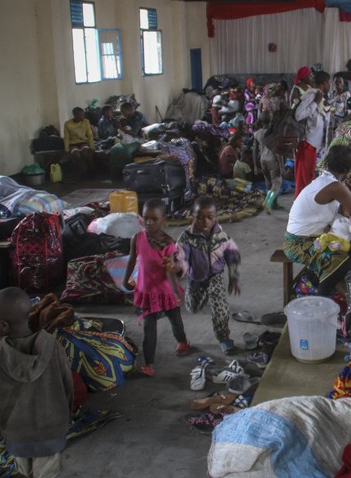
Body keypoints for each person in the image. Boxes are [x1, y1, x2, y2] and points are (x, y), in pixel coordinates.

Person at [0, 287, 73, 478]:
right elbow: (67, 385)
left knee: (24, 471)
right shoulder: (53, 346)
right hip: (52, 431)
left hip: (17, 434)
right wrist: (66, 417)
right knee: (47, 473)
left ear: (3, 326)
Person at [284, 145, 351, 296]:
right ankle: (322, 298)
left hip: (311, 236)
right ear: (350, 170)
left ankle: (323, 286)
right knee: (340, 262)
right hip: (298, 243)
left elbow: (346, 209)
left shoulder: (326, 181)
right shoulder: (333, 186)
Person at [121, 199, 189, 377]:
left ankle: (182, 341)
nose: (149, 223)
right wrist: (125, 279)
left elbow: (170, 272)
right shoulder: (138, 238)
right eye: (145, 218)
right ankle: (149, 364)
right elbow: (131, 259)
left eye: (154, 219)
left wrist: (175, 292)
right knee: (148, 330)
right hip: (146, 292)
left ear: (163, 219)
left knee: (175, 320)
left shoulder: (168, 244)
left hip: (166, 292)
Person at [173, 196, 241, 355]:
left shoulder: (222, 236)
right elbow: (180, 256)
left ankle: (224, 338)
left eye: (210, 217)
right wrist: (178, 267)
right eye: (200, 217)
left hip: (215, 278)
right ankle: (198, 298)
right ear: (193, 216)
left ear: (216, 217)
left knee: (221, 309)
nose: (205, 221)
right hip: (195, 279)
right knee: (193, 307)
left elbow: (233, 256)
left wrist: (233, 277)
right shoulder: (186, 237)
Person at [293, 70, 329, 197]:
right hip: (307, 143)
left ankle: (304, 206)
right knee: (304, 180)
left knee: (308, 177)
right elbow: (298, 115)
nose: (329, 86)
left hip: (314, 144)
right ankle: (300, 208)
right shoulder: (312, 95)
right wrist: (315, 103)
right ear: (324, 83)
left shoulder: (319, 95)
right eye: (329, 83)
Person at [252, 119, 283, 210]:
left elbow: (254, 150)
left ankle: (274, 204)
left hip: (263, 160)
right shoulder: (274, 133)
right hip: (272, 160)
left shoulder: (257, 133)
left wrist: (255, 166)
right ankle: (268, 202)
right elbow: (277, 151)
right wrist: (281, 166)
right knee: (277, 183)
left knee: (269, 183)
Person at [63, 107, 95, 174]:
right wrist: (66, 150)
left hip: (83, 142)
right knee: (77, 155)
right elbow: (66, 137)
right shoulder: (68, 124)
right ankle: (84, 170)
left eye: (83, 115)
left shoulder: (86, 121)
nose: (83, 117)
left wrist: (92, 146)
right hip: (73, 144)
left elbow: (89, 134)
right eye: (80, 115)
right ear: (75, 115)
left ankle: (91, 171)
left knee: (86, 153)